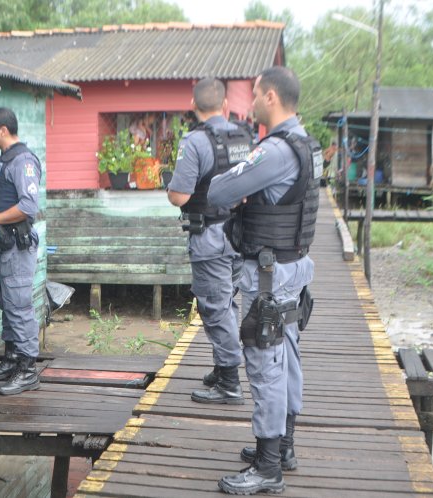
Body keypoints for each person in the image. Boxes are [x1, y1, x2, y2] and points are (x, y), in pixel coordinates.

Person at [207, 66, 320, 495]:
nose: (249, 103)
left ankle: (268, 467)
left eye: (254, 95)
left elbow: (219, 191)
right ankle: (284, 446)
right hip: (293, 269)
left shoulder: (274, 151)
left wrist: (240, 183)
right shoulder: (308, 144)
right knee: (287, 356)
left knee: (265, 364)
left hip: (269, 277)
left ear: (271, 97)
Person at [167, 78, 253, 405]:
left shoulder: (195, 142)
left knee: (215, 308)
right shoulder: (243, 136)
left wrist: (170, 190)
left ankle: (230, 382)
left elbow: (179, 196)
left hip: (210, 238)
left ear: (193, 105)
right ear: (226, 106)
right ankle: (222, 366)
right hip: (240, 236)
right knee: (227, 302)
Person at [0, 107, 42, 396]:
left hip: (16, 246)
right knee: (7, 305)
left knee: (19, 307)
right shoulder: (2, 161)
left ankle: (28, 370)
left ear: (3, 130)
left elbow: (28, 206)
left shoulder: (23, 160)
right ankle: (12, 358)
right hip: (1, 244)